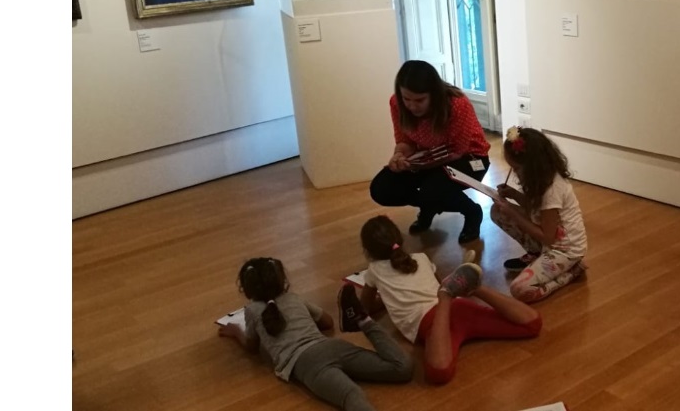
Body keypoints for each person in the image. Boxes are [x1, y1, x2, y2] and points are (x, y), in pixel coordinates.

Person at [344, 215, 542, 384]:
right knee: (532, 325)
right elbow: (440, 285)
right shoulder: (420, 258)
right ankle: (476, 288)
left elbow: (366, 308)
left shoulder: (373, 271)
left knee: (438, 374)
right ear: (399, 239)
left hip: (433, 322)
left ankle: (447, 296)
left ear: (368, 251)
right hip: (459, 307)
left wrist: (386, 300)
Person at [219, 257, 413, 411]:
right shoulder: (293, 298)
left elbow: (252, 346)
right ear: (281, 280)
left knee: (352, 395)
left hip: (307, 364)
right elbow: (327, 322)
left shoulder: (252, 310)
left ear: (247, 289)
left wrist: (235, 331)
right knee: (402, 368)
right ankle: (364, 321)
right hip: (331, 346)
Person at [369, 60, 491, 244]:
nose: (412, 106)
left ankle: (471, 211)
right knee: (382, 188)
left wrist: (418, 166)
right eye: (407, 99)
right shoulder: (396, 103)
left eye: (419, 100)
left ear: (434, 94)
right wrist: (399, 156)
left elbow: (457, 151)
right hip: (428, 157)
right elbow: (405, 141)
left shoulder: (457, 104)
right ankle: (430, 204)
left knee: (432, 190)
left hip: (470, 157)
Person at [492, 127, 588, 303]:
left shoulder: (552, 190)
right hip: (549, 240)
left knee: (519, 289)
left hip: (564, 250)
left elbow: (547, 237)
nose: (514, 173)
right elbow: (537, 210)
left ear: (532, 167)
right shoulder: (540, 179)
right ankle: (537, 254)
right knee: (497, 210)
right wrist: (514, 195)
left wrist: (513, 212)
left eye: (516, 168)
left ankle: (571, 272)